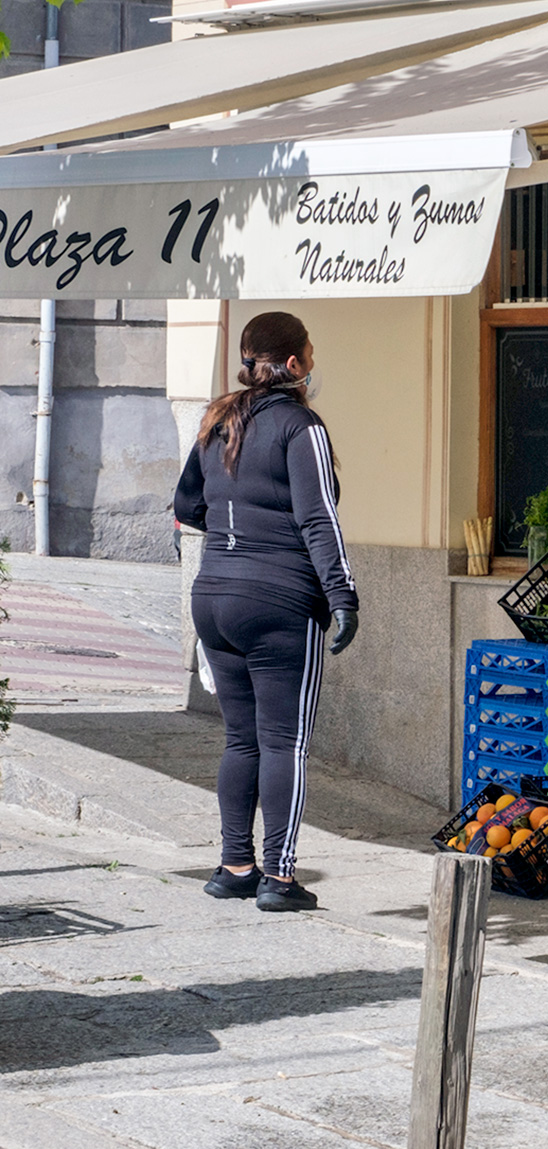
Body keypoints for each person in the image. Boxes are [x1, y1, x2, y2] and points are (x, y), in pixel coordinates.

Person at [174, 312, 358, 912]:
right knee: (285, 743)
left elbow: (187, 506)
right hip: (279, 601)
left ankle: (234, 866)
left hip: (213, 596)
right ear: (295, 363)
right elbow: (318, 518)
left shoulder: (216, 420)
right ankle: (279, 877)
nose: (314, 362)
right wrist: (342, 595)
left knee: (241, 739)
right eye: (311, 352)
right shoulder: (302, 427)